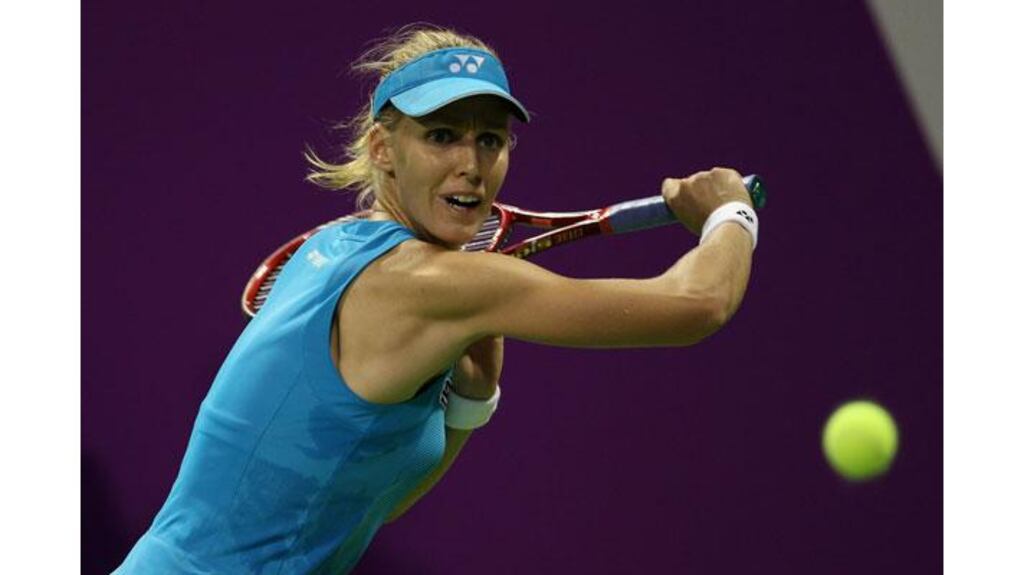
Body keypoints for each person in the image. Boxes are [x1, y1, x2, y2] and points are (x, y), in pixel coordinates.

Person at [113, 24, 758, 574]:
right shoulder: (432, 283)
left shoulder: (336, 247)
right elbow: (697, 303)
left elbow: (365, 500)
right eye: (442, 135)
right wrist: (728, 210)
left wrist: (474, 396)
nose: (471, 165)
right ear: (382, 150)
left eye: (490, 139)